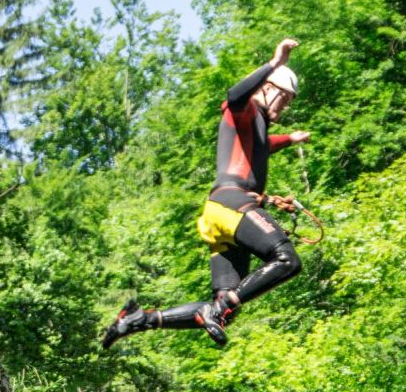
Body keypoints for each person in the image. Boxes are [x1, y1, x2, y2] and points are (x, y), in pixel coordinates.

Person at [102, 39, 312, 350]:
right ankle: (220, 306)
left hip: (221, 213)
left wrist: (291, 140)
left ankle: (137, 320)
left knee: (221, 309)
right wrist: (275, 62)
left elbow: (264, 146)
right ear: (266, 88)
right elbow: (234, 95)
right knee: (286, 259)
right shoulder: (245, 109)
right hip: (231, 203)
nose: (285, 105)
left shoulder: (257, 130)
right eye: (283, 96)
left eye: (289, 100)